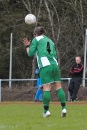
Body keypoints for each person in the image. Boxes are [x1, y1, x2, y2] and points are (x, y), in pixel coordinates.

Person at [22, 26, 67, 117]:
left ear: (36, 34)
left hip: (45, 65)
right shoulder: (50, 41)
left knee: (46, 88)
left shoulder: (36, 39)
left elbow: (30, 53)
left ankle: (46, 111)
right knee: (58, 87)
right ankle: (64, 108)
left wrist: (27, 46)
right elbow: (54, 53)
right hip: (55, 64)